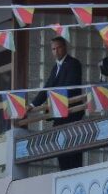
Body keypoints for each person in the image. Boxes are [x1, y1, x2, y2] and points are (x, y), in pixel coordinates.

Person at [34, 36, 86, 170]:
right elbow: (47, 88)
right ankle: (64, 172)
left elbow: (69, 86)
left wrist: (53, 101)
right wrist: (33, 105)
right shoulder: (55, 68)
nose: (56, 51)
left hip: (72, 112)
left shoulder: (73, 63)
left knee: (73, 148)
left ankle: (74, 172)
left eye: (58, 48)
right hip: (59, 113)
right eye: (53, 49)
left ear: (65, 47)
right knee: (61, 147)